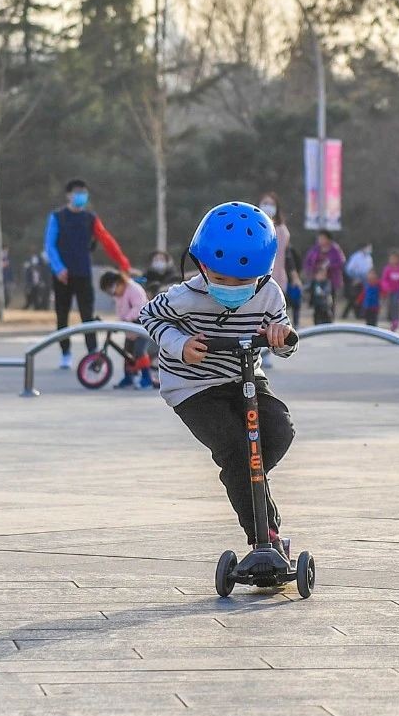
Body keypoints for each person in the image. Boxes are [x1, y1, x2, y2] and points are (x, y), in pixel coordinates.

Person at [139, 201, 297, 551]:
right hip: (192, 386)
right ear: (202, 265)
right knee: (236, 449)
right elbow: (149, 317)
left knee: (279, 432)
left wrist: (280, 339)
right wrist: (180, 344)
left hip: (244, 377)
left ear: (263, 270)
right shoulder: (186, 295)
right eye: (220, 278)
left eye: (243, 280)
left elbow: (285, 340)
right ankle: (264, 539)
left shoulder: (269, 294)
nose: (231, 288)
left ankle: (242, 476)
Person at [44, 178, 131, 368]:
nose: (80, 196)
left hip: (82, 271)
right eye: (77, 192)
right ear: (68, 195)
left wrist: (122, 261)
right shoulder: (57, 217)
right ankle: (65, 353)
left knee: (88, 314)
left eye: (83, 192)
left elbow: (106, 240)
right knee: (62, 314)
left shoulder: (90, 218)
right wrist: (58, 268)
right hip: (62, 275)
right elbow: (49, 245)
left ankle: (92, 352)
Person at [99, 270, 154, 389]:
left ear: (119, 282)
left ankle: (147, 378)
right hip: (128, 326)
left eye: (111, 288)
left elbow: (139, 307)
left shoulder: (134, 288)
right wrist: (120, 323)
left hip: (141, 323)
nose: (112, 293)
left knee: (140, 351)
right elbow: (120, 310)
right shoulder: (118, 295)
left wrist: (127, 319)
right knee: (127, 351)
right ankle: (129, 377)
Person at [257, 192, 292, 292]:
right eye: (265, 203)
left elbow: (287, 255)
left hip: (277, 278)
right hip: (255, 277)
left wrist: (294, 276)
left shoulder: (282, 230)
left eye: (272, 204)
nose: (268, 207)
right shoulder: (253, 227)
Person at [302, 230, 345, 303]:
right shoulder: (315, 249)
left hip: (331, 278)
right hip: (317, 277)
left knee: (330, 298)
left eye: (323, 238)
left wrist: (329, 267)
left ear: (328, 239)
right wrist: (312, 270)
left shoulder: (335, 249)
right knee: (317, 296)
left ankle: (330, 312)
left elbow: (341, 261)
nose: (320, 240)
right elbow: (307, 262)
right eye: (319, 238)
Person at [341, 244, 373, 320]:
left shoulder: (369, 258)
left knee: (361, 298)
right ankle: (349, 314)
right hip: (355, 279)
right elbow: (349, 269)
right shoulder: (356, 256)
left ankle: (360, 314)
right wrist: (355, 278)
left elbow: (370, 269)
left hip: (365, 280)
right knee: (353, 298)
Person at [380, 249, 399, 332]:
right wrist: (386, 287)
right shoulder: (387, 269)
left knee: (396, 304)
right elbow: (384, 279)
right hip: (390, 290)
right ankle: (393, 320)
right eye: (391, 258)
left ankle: (396, 320)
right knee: (391, 305)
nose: (393, 260)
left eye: (395, 258)